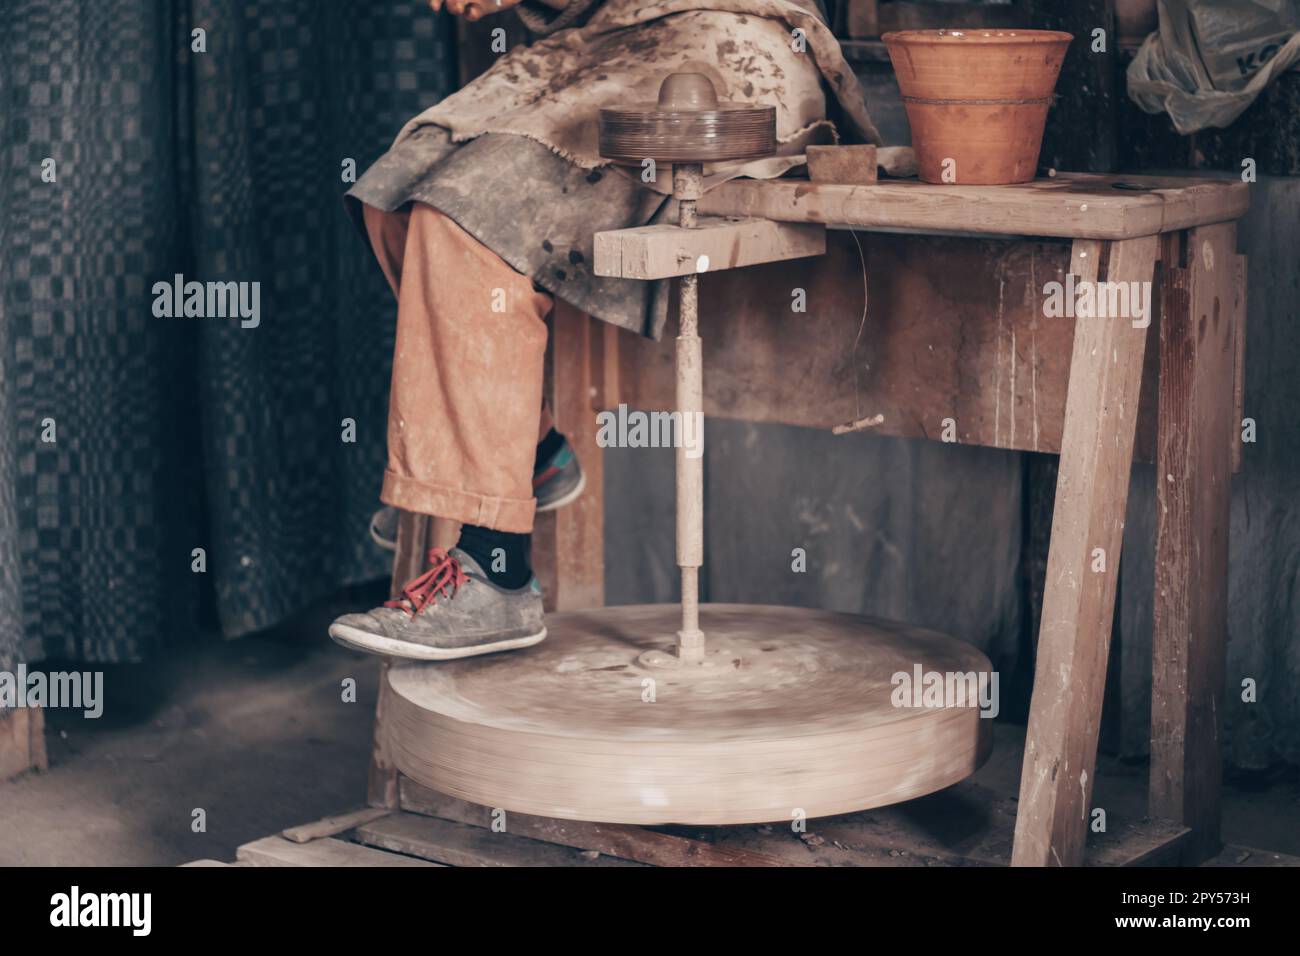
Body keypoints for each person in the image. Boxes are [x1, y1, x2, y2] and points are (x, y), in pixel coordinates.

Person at [329, 0, 878, 660]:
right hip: (607, 45)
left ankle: (496, 572)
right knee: (390, 197)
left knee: (461, 223)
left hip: (719, 48)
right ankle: (532, 454)